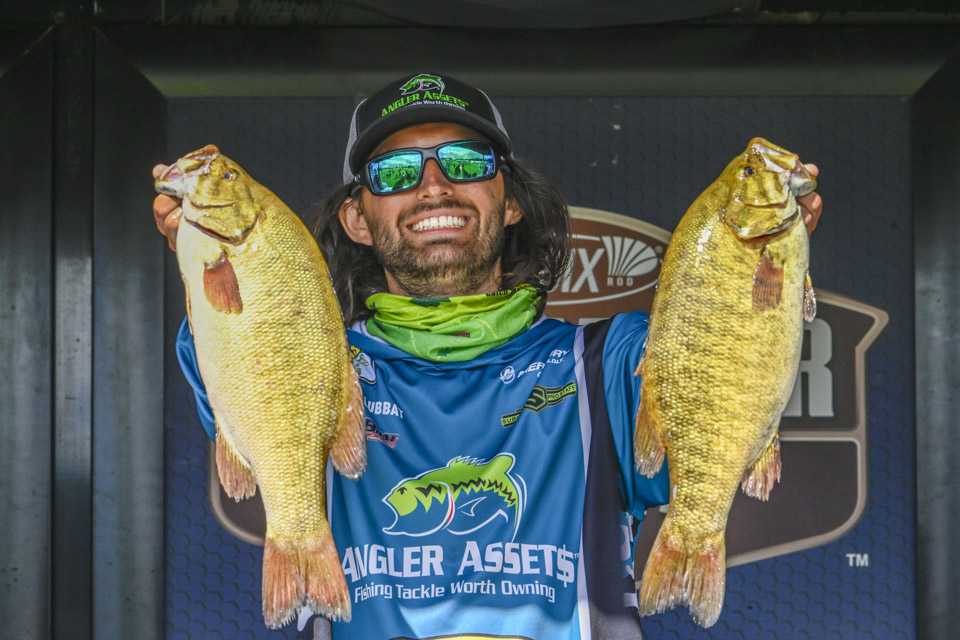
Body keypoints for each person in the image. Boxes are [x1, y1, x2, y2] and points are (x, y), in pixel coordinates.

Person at [153, 72, 822, 640]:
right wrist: (211, 258)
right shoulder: (310, 365)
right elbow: (237, 343)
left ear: (510, 204)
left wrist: (757, 267)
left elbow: (722, 367)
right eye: (395, 172)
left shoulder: (607, 364)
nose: (434, 186)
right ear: (357, 219)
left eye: (467, 162)